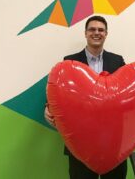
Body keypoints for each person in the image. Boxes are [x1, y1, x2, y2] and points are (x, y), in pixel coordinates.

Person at [44, 15, 127, 179]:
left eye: (101, 30)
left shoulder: (117, 61)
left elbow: (127, 93)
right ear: (85, 33)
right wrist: (47, 108)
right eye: (92, 29)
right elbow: (59, 93)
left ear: (106, 34)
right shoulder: (69, 61)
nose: (96, 33)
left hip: (112, 144)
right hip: (79, 145)